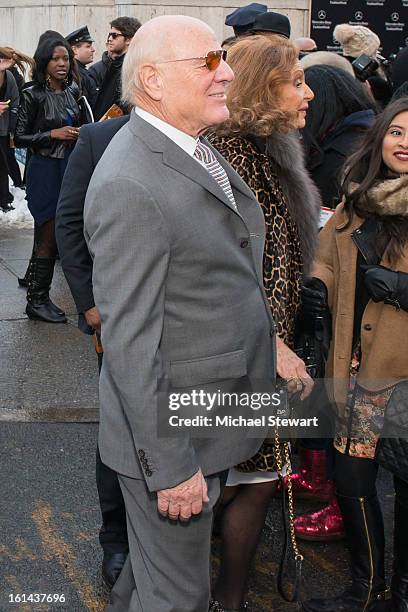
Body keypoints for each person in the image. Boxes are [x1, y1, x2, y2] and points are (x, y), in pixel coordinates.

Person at [84, 15, 278, 612]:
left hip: (208, 410)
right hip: (174, 436)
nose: (225, 75)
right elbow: (132, 345)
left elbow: (223, 273)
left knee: (148, 581)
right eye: (209, 63)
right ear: (153, 81)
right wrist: (170, 469)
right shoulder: (131, 183)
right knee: (179, 596)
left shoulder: (185, 145)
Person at [207, 34, 318, 610]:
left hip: (261, 348)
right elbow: (238, 270)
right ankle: (223, 597)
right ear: (260, 90)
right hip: (246, 355)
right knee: (242, 478)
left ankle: (221, 594)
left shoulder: (267, 148)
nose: (310, 93)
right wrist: (273, 341)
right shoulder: (235, 159)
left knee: (246, 477)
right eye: (296, 82)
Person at [301, 97, 408, 612]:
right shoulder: (355, 201)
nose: (404, 142)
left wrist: (404, 288)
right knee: (352, 479)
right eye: (396, 132)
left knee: (407, 485)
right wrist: (317, 286)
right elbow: (326, 256)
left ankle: (402, 593)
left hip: (403, 373)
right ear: (380, 137)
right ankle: (367, 591)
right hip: (355, 368)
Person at [55, 114, 130, 588]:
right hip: (116, 315)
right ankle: (117, 539)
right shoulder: (100, 137)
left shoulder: (207, 138)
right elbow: (69, 219)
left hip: (188, 322)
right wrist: (89, 304)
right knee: (120, 425)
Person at [15, 36, 81, 323]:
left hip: (68, 166)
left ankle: (39, 295)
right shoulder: (32, 95)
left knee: (53, 231)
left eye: (65, 58)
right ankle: (37, 300)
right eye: (56, 59)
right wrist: (52, 134)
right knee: (48, 234)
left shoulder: (73, 91)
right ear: (44, 62)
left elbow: (78, 123)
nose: (62, 63)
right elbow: (19, 137)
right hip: (44, 169)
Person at [89, 16, 141, 120]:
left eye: (114, 35)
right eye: (109, 35)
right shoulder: (103, 67)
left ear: (129, 40)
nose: (109, 39)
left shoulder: (136, 66)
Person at [0, 50, 19, 212]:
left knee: (3, 164)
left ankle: (4, 198)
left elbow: (15, 104)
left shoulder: (9, 77)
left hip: (3, 130)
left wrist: (13, 130)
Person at [65, 26, 97, 107]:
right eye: (88, 46)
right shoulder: (75, 74)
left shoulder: (80, 72)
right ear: (74, 50)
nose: (93, 49)